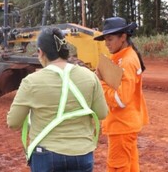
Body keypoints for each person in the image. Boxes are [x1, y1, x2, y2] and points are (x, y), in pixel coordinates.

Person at [7, 27, 108, 172]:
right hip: (82, 153)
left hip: (47, 155)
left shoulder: (31, 82)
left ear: (41, 53)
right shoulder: (89, 76)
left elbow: (13, 123)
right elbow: (102, 113)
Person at [94, 17, 149, 172]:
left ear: (123, 37)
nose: (107, 43)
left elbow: (120, 100)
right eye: (105, 39)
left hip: (122, 126)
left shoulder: (126, 61)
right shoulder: (123, 57)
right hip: (125, 125)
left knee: (117, 167)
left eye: (110, 39)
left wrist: (101, 82)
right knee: (130, 166)